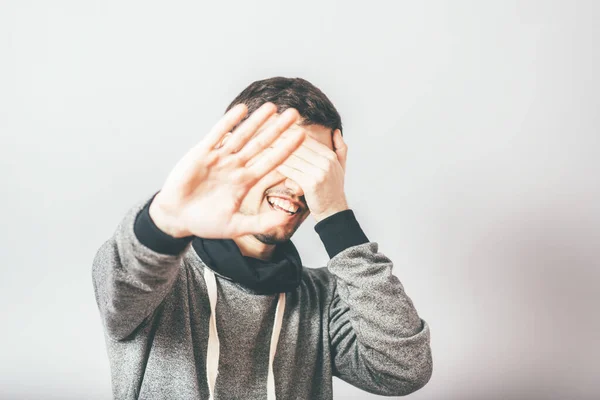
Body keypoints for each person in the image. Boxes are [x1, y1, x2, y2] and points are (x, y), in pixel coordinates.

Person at [92, 77, 433, 400]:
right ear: (233, 151)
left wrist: (336, 214)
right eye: (286, 157)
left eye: (317, 170)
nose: (299, 186)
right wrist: (165, 220)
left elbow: (403, 369)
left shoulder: (323, 298)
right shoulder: (161, 280)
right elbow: (127, 278)